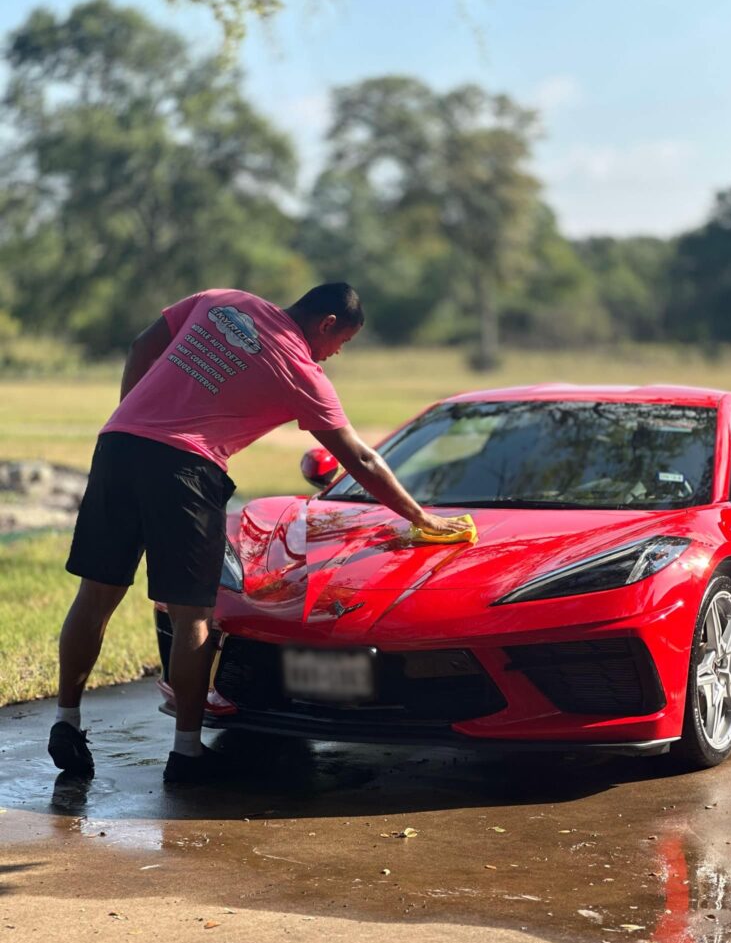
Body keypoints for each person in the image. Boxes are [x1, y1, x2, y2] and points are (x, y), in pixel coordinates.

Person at [48, 283, 466, 784]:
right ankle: (186, 754)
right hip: (187, 468)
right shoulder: (301, 370)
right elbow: (362, 458)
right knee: (193, 616)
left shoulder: (223, 300)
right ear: (327, 324)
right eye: (342, 344)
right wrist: (421, 518)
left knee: (94, 594)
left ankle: (66, 722)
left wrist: (132, 420)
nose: (334, 355)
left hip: (118, 447)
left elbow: (142, 346)